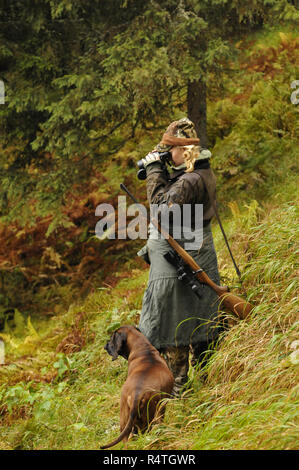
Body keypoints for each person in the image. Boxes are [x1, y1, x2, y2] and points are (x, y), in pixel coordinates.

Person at [137, 117, 223, 396]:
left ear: (184, 150)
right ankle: (208, 397)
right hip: (193, 258)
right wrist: (160, 167)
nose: (165, 153)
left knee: (178, 331)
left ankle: (182, 405)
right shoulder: (194, 173)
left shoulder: (190, 180)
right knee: (201, 330)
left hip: (187, 262)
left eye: (169, 149)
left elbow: (163, 212)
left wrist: (153, 171)